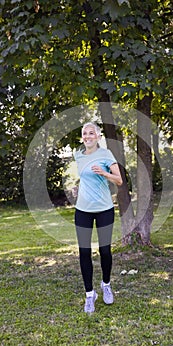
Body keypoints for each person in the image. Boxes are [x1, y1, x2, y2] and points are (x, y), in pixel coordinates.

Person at [74, 122, 122, 314]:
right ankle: (89, 295)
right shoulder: (78, 155)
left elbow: (119, 180)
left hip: (104, 209)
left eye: (91, 133)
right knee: (84, 252)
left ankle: (106, 285)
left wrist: (104, 173)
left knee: (105, 250)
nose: (87, 136)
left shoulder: (106, 155)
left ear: (98, 136)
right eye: (85, 133)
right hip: (82, 210)